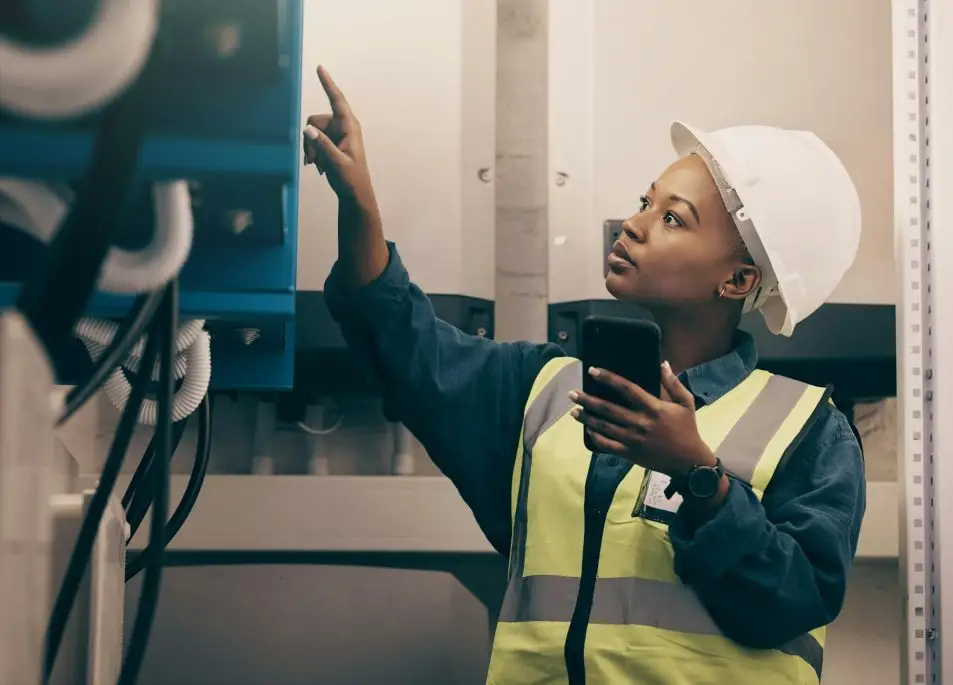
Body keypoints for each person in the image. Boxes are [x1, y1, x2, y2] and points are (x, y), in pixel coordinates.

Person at [304, 65, 866, 685]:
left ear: (737, 281)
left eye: (673, 218)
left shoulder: (810, 431)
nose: (634, 223)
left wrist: (698, 476)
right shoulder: (540, 390)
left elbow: (789, 601)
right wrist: (358, 201)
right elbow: (400, 341)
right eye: (645, 202)